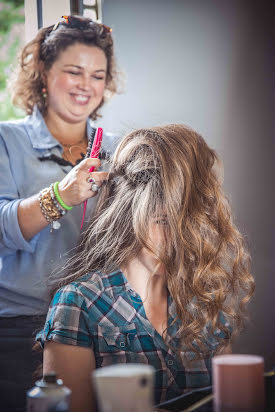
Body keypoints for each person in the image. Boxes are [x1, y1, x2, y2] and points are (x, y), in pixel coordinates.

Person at [37, 124, 255, 412]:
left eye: (189, 220)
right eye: (163, 221)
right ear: (130, 213)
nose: (182, 236)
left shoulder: (204, 296)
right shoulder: (79, 304)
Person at [0, 15, 120, 412]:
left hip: (102, 325)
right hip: (22, 329)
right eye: (74, 71)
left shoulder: (119, 149)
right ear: (44, 71)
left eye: (98, 75)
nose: (87, 85)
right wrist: (61, 195)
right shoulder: (6, 139)